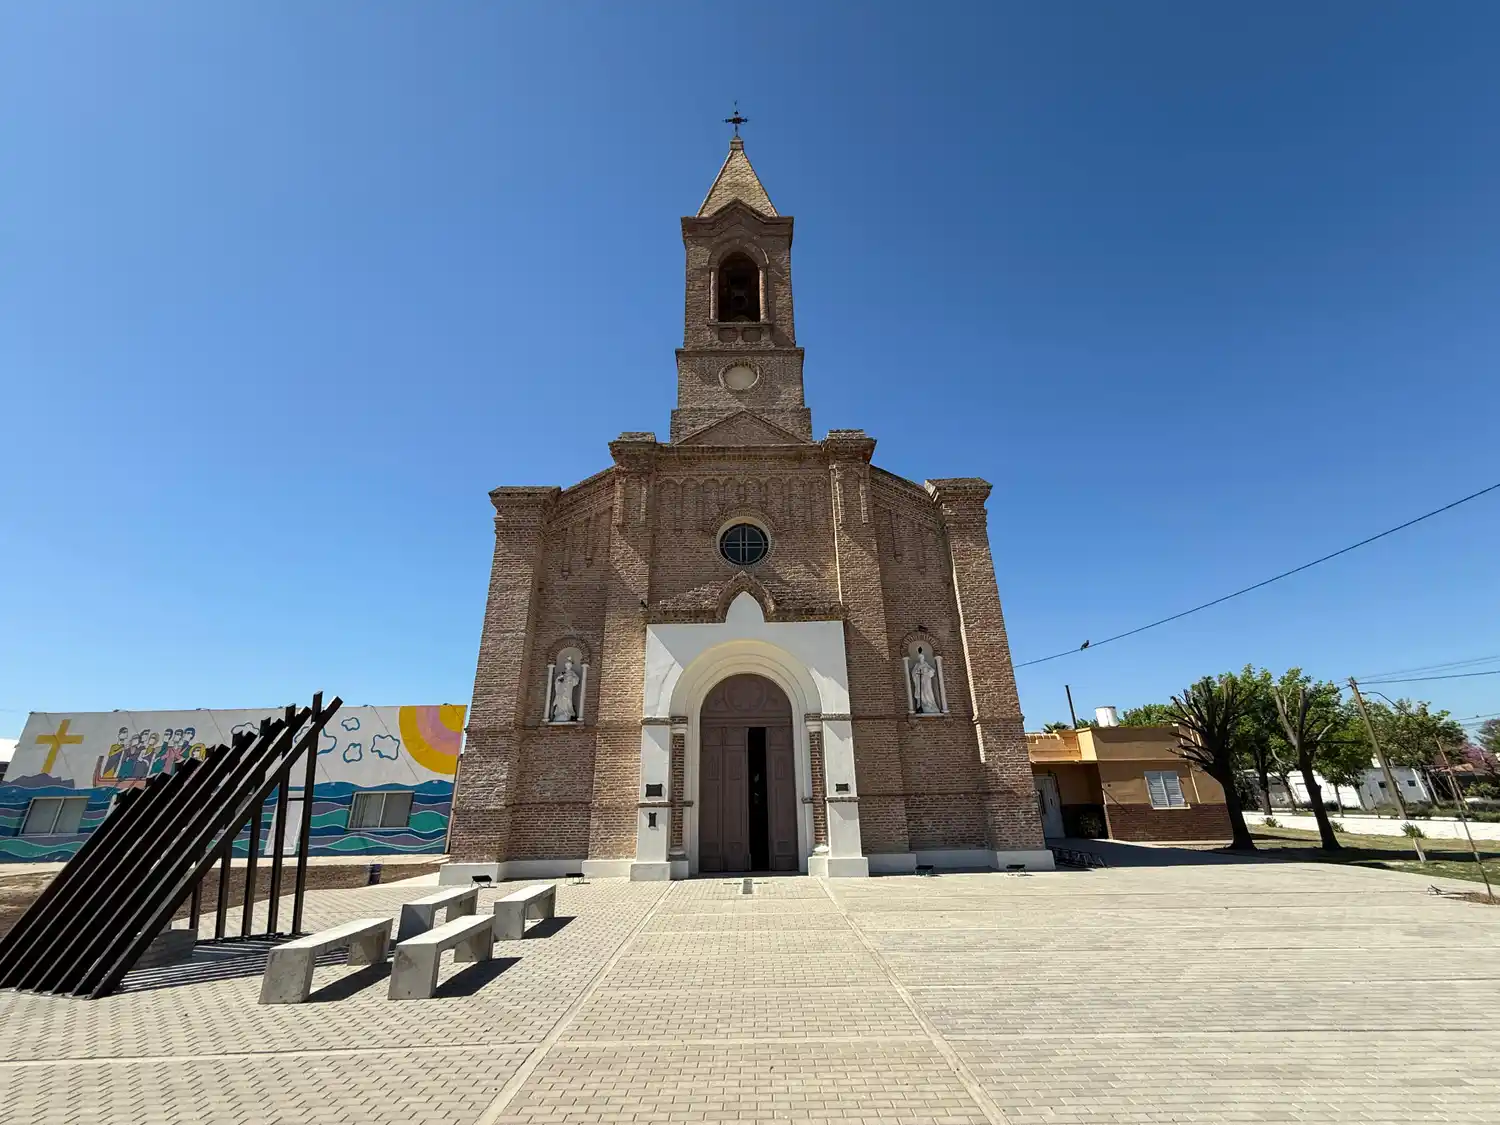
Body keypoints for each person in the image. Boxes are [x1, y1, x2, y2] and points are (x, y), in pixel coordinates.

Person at [551, 657, 581, 722]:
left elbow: (576, 680)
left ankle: (567, 712)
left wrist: (571, 679)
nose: (568, 666)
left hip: (568, 688)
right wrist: (559, 679)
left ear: (571, 665)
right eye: (567, 664)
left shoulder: (573, 673)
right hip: (561, 689)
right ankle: (560, 712)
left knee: (567, 699)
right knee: (561, 699)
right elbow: (557, 681)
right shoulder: (562, 673)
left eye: (569, 664)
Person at [911, 649, 940, 714]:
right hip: (920, 681)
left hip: (927, 680)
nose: (921, 659)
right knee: (922, 692)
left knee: (928, 692)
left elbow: (932, 670)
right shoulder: (917, 665)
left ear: (923, 658)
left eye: (922, 658)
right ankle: (923, 705)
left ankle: (930, 704)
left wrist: (929, 672)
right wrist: (917, 673)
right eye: (920, 658)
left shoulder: (926, 664)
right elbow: (913, 673)